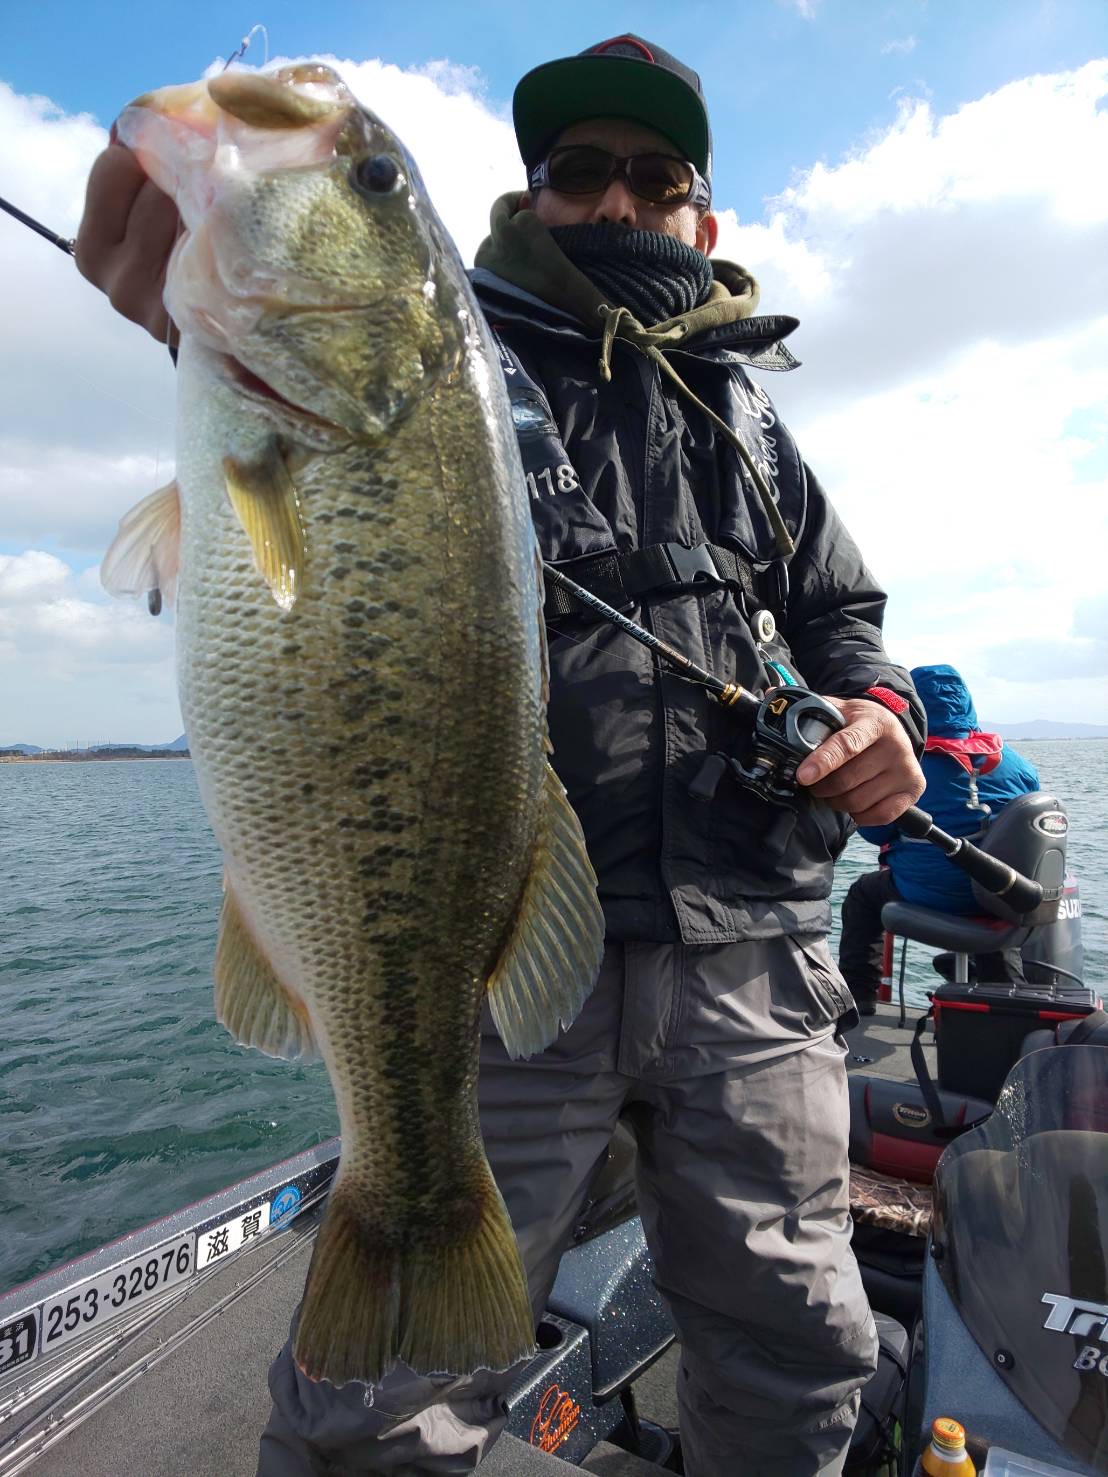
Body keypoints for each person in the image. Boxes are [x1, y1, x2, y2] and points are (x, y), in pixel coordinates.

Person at [76, 35, 927, 1477]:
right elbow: (305, 395)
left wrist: (881, 712)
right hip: (502, 964)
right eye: (579, 170)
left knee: (799, 1345)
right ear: (533, 196)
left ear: (701, 217)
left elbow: (844, 614)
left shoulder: (752, 420)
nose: (617, 198)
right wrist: (199, 278)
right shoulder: (454, 353)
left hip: (755, 953)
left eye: (655, 176)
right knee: (383, 1404)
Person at [838, 663, 1040, 1012]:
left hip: (927, 894)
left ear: (913, 705)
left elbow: (875, 831)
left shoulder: (904, 765)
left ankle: (859, 996)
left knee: (862, 896)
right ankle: (1007, 1006)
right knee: (992, 897)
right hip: (1004, 895)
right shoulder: (1015, 764)